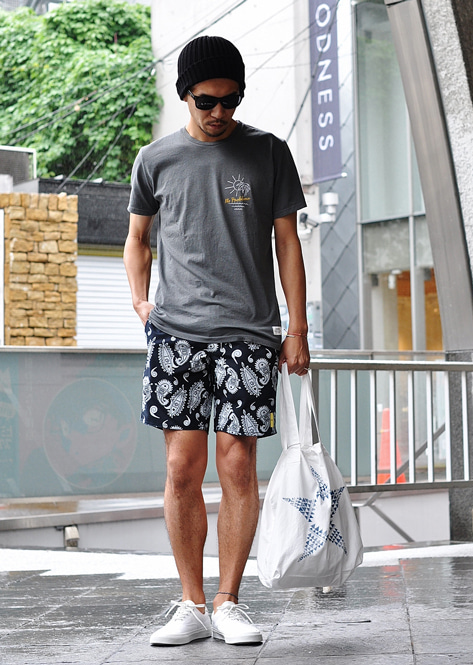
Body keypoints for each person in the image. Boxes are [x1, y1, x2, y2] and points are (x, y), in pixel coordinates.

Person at [124, 35, 310, 647]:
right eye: (207, 101)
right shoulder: (155, 159)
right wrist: (141, 302)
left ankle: (228, 601)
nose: (219, 112)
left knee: (237, 462)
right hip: (176, 333)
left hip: (249, 332)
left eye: (231, 100)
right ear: (186, 95)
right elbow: (137, 239)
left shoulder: (269, 152)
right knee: (182, 467)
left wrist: (297, 328)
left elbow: (287, 243)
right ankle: (191, 603)